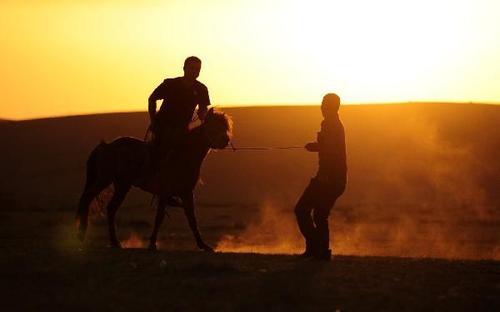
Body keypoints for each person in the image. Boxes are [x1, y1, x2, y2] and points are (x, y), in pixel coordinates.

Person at [147, 56, 210, 197]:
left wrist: (202, 117)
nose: (194, 71)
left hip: (183, 129)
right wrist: (153, 121)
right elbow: (152, 99)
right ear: (184, 68)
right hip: (164, 127)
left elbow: (203, 109)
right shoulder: (171, 84)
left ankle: (182, 185)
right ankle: (157, 183)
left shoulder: (201, 89)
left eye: (197, 69)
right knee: (162, 151)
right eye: (191, 68)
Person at [294, 93, 347, 261]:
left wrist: (323, 175)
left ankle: (317, 248)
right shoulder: (333, 125)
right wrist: (316, 147)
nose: (321, 107)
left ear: (331, 107)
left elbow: (330, 152)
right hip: (335, 179)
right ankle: (319, 251)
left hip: (327, 179)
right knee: (319, 215)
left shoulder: (331, 125)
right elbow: (330, 147)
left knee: (303, 210)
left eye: (324, 104)